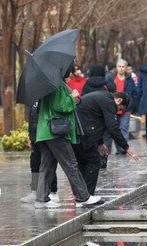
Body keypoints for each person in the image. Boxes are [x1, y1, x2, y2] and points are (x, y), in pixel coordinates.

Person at [34, 79, 101, 208]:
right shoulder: (56, 84)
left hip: (45, 131)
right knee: (70, 163)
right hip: (55, 131)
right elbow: (61, 106)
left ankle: (41, 199)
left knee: (47, 165)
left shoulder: (46, 84)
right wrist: (72, 96)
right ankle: (83, 197)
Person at [75, 90, 139, 194]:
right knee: (94, 161)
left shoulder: (103, 96)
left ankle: (81, 195)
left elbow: (95, 119)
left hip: (78, 131)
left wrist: (100, 143)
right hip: (83, 132)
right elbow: (112, 126)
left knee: (83, 163)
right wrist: (126, 147)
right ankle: (86, 196)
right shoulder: (109, 102)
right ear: (119, 100)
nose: (117, 111)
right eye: (119, 109)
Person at [20, 100, 58, 204]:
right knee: (35, 163)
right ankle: (34, 191)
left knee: (48, 163)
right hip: (35, 136)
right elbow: (32, 118)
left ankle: (52, 191)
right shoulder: (33, 99)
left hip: (46, 134)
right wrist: (31, 135)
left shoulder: (48, 96)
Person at [105, 59, 138, 155]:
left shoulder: (130, 79)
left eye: (123, 66)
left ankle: (123, 149)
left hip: (126, 109)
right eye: (119, 66)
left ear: (126, 68)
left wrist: (131, 105)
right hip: (113, 108)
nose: (121, 68)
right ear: (116, 67)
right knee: (115, 129)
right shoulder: (110, 78)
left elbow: (134, 94)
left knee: (124, 128)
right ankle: (118, 148)